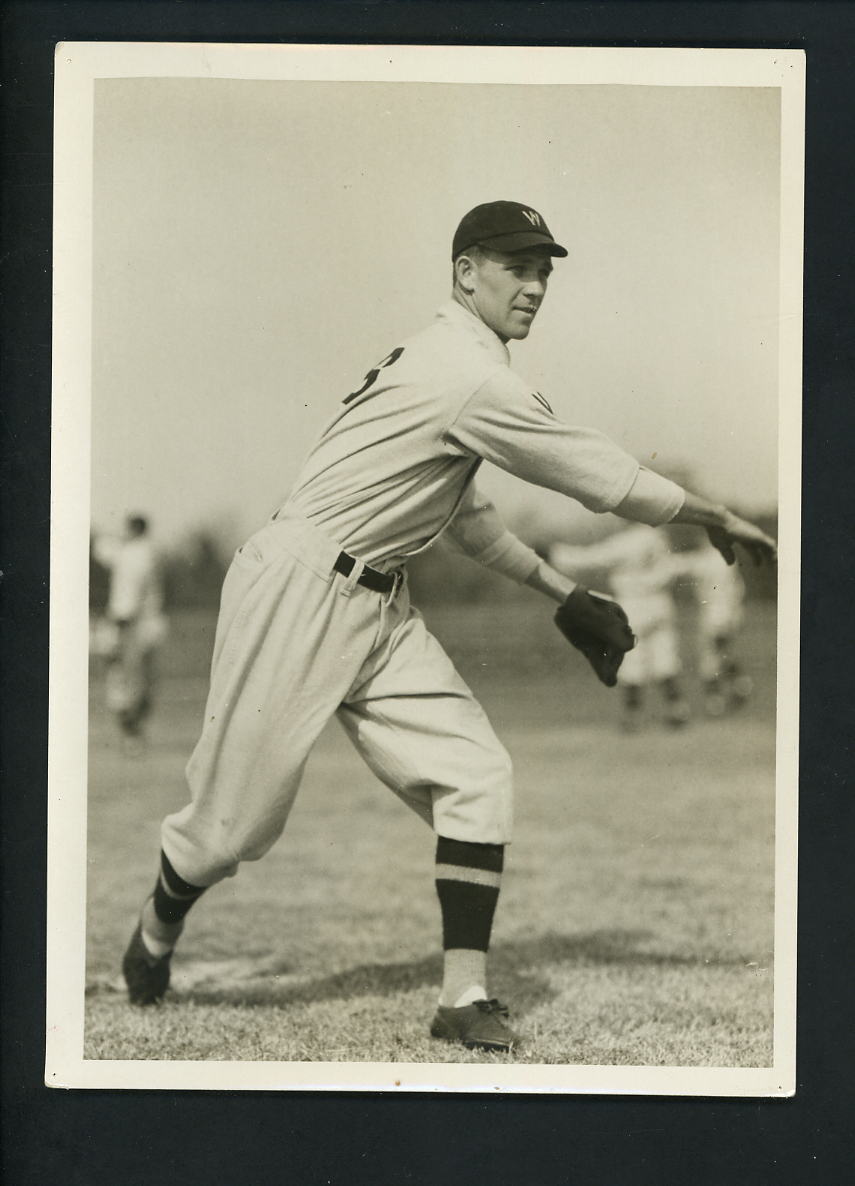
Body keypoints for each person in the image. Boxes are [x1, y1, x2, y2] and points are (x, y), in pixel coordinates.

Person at [121, 200, 776, 1052]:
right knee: (229, 832)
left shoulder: (452, 366)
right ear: (465, 272)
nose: (535, 285)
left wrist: (560, 591)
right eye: (516, 266)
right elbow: (596, 473)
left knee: (475, 772)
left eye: (544, 269)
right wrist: (711, 513)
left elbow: (467, 520)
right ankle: (159, 923)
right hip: (294, 586)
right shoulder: (464, 373)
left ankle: (462, 993)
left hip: (376, 599)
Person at [549, 523, 691, 731]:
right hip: (660, 602)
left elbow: (592, 558)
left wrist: (555, 553)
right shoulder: (660, 538)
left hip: (634, 602)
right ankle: (676, 707)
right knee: (665, 656)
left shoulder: (628, 541)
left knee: (633, 660)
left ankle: (633, 715)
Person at [94, 514, 167, 750]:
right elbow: (102, 550)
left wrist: (121, 623)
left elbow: (131, 590)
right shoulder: (131, 550)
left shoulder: (140, 553)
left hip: (132, 623)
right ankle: (131, 732)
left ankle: (132, 732)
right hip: (134, 622)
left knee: (130, 678)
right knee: (126, 677)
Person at [672, 533, 753, 715]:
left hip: (715, 612)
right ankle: (726, 693)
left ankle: (736, 686)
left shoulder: (707, 559)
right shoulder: (726, 559)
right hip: (729, 611)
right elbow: (739, 589)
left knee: (713, 656)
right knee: (716, 655)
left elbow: (683, 565)